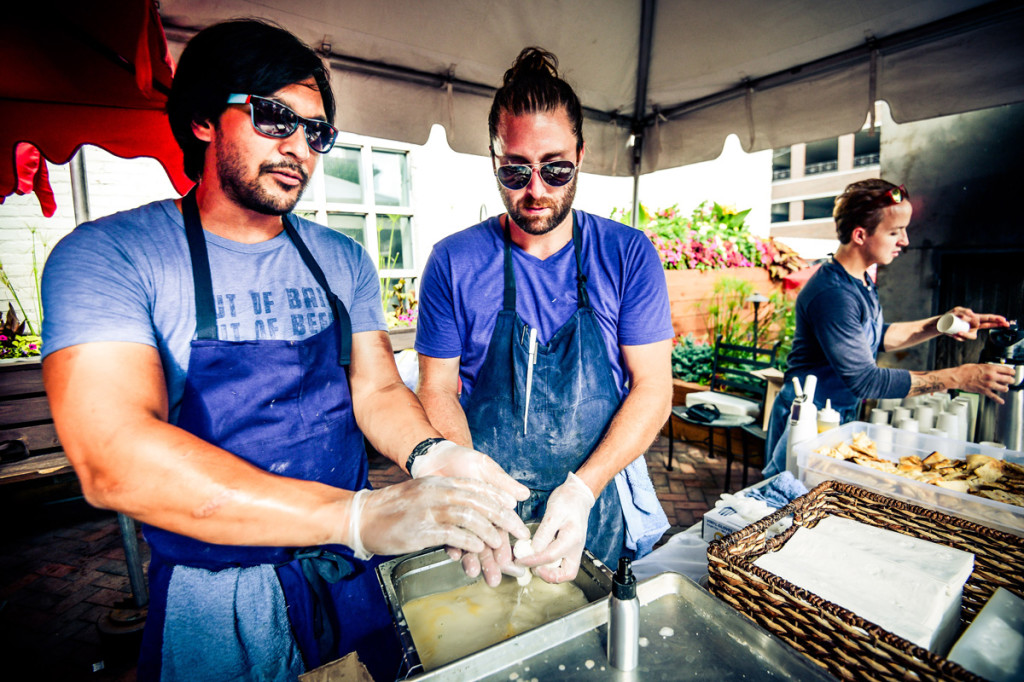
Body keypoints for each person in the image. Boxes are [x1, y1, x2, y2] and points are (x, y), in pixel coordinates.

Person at [41, 20, 529, 682]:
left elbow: (379, 390)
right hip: (217, 592)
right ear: (203, 119)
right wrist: (357, 515)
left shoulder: (341, 260)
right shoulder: (111, 257)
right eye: (275, 118)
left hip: (344, 578)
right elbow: (113, 454)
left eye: (317, 132)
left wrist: (436, 456)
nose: (300, 146)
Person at [415, 47, 674, 586]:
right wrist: (476, 493)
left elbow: (653, 388)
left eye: (555, 169)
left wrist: (582, 489)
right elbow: (437, 389)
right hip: (488, 506)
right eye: (515, 170)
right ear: (493, 160)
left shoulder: (627, 254)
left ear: (580, 154)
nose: (536, 190)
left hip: (597, 501)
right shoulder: (453, 260)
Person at [763, 179, 1014, 476]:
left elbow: (877, 336)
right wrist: (957, 377)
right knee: (786, 507)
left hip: (832, 414)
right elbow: (865, 381)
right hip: (806, 418)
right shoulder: (833, 294)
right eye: (895, 232)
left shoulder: (860, 281)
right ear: (860, 235)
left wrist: (940, 324)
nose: (905, 241)